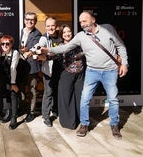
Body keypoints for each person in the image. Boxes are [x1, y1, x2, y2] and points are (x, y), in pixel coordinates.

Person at [41, 11, 128, 139]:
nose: (82, 24)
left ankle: (114, 125)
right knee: (84, 99)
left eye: (84, 21)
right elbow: (65, 48)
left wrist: (125, 64)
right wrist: (48, 50)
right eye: (80, 22)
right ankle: (84, 124)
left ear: (93, 19)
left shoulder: (107, 28)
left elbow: (120, 46)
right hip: (92, 71)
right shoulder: (81, 36)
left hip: (110, 71)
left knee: (113, 99)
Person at [0, 35, 20, 129]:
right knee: (7, 97)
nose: (5, 45)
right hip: (3, 78)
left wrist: (13, 83)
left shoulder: (15, 53)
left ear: (11, 44)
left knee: (13, 95)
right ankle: (8, 114)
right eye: (2, 43)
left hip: (13, 77)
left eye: (7, 43)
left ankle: (14, 118)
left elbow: (13, 68)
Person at [57, 24, 85, 129]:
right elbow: (51, 55)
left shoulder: (79, 43)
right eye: (64, 32)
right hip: (67, 74)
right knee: (66, 98)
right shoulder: (60, 46)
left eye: (69, 31)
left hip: (80, 74)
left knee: (81, 98)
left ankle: (81, 120)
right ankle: (69, 122)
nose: (67, 34)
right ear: (61, 34)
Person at [37, 16, 62, 127]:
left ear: (56, 26)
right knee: (48, 93)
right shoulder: (44, 38)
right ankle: (46, 116)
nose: (50, 28)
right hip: (49, 71)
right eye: (48, 26)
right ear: (45, 27)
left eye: (52, 25)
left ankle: (55, 110)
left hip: (61, 70)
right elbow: (40, 49)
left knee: (58, 92)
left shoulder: (61, 36)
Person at [19, 12, 41, 122]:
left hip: (32, 66)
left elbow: (33, 48)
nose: (29, 21)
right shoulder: (21, 31)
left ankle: (31, 112)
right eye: (27, 19)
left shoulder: (37, 34)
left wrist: (26, 53)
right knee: (21, 89)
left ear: (35, 22)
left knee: (32, 90)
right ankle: (23, 108)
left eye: (32, 20)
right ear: (24, 20)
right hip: (21, 66)